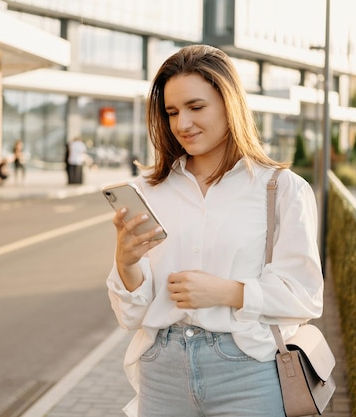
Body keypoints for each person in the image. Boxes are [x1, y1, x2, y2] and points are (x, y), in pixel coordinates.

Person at [106, 44, 324, 417]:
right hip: (163, 368)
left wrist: (227, 292)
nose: (182, 125)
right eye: (172, 112)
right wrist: (126, 265)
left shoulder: (282, 189)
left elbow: (305, 297)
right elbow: (131, 315)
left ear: (229, 103)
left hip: (248, 372)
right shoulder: (150, 190)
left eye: (196, 107)